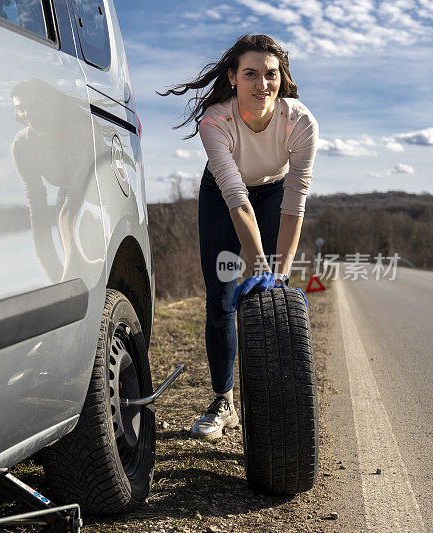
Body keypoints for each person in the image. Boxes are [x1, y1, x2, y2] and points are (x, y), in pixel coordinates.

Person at [159, 34, 319, 439]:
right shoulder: (215, 121)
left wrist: (278, 272)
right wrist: (258, 262)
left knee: (272, 292)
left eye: (270, 74)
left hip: (274, 193)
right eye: (251, 74)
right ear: (233, 77)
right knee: (222, 296)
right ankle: (223, 402)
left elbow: (295, 202)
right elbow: (236, 199)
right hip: (223, 197)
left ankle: (275, 402)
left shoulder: (300, 122)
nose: (262, 84)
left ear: (281, 78)